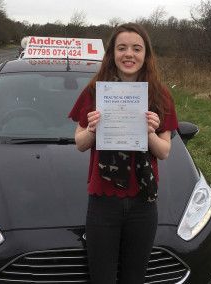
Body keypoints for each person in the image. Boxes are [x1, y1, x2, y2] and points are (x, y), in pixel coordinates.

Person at [68, 23, 178, 284]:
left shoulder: (160, 95)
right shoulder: (95, 91)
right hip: (103, 201)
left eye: (136, 48)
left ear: (146, 54)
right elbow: (80, 143)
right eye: (122, 48)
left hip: (143, 201)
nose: (129, 54)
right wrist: (93, 129)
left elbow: (164, 152)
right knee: (102, 277)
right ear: (112, 54)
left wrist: (149, 132)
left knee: (134, 277)